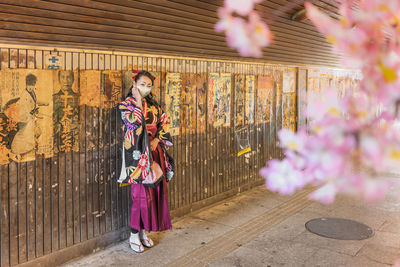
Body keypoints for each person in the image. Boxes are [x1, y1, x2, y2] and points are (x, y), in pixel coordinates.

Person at [117, 71, 174, 253]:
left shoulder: (154, 105)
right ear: (135, 84)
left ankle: (142, 232)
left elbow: (164, 123)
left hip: (154, 153)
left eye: (149, 85)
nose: (146, 88)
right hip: (138, 156)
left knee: (153, 195)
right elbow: (134, 124)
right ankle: (133, 234)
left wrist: (157, 139)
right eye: (143, 84)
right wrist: (138, 101)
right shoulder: (126, 105)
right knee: (140, 195)